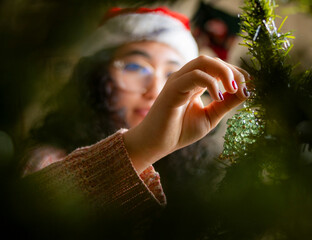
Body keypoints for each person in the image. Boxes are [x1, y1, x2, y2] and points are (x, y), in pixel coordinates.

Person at [21, 6, 250, 226]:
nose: (156, 91)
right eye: (135, 67)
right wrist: (143, 146)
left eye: (172, 74)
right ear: (96, 79)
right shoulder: (44, 160)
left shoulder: (207, 186)